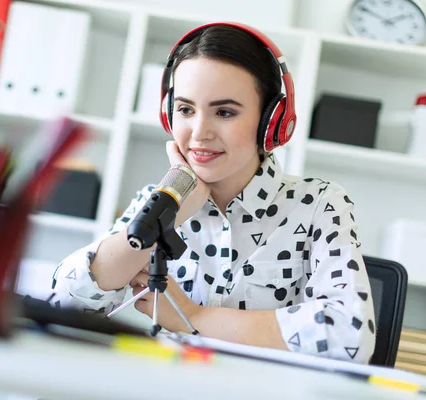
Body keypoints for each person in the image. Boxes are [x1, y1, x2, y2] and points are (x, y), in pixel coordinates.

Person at [50, 22, 376, 364]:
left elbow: (349, 335)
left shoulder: (319, 203)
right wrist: (174, 204)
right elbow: (62, 305)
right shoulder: (156, 200)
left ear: (271, 121)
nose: (199, 133)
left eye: (224, 112)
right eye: (186, 110)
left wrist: (194, 317)